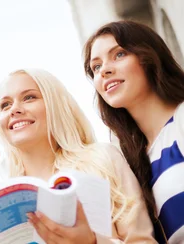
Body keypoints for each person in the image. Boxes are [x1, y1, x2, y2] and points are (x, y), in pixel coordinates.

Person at [0, 69, 156, 243]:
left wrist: (92, 242)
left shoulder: (102, 159)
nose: (14, 110)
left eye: (29, 97)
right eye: (5, 105)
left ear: (55, 104)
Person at [83, 20, 184, 244]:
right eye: (96, 67)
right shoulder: (130, 164)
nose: (105, 70)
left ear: (149, 57)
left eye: (119, 54)